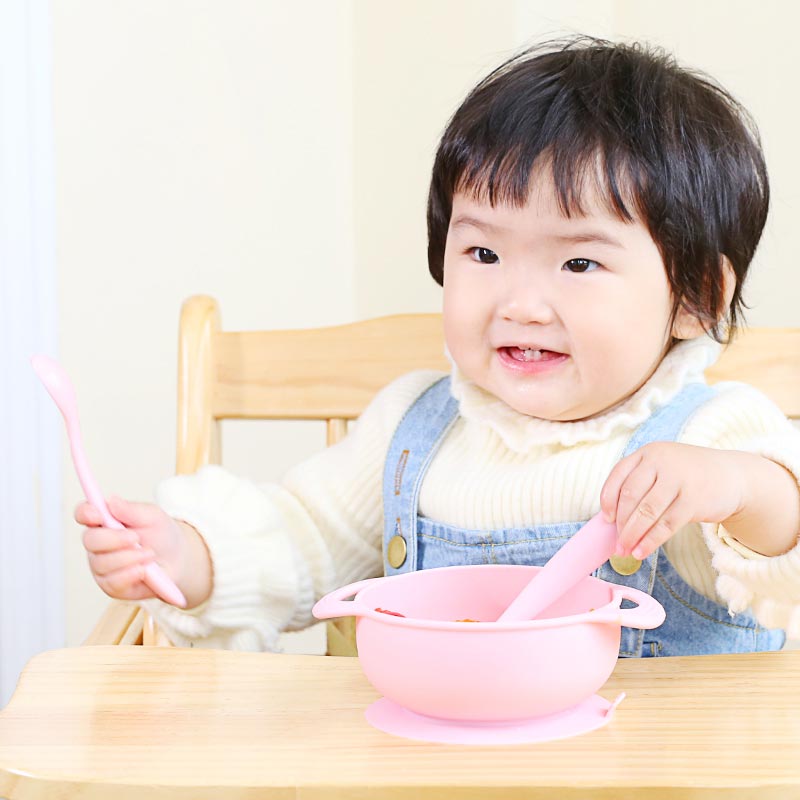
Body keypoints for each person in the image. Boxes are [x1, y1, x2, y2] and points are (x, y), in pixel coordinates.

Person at [76, 36, 800, 655]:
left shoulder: (713, 434)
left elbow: (783, 546)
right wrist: (187, 557)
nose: (519, 303)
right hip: (437, 765)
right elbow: (300, 543)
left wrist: (735, 489)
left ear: (696, 295)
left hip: (661, 778)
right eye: (483, 254)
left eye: (579, 263)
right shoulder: (414, 430)